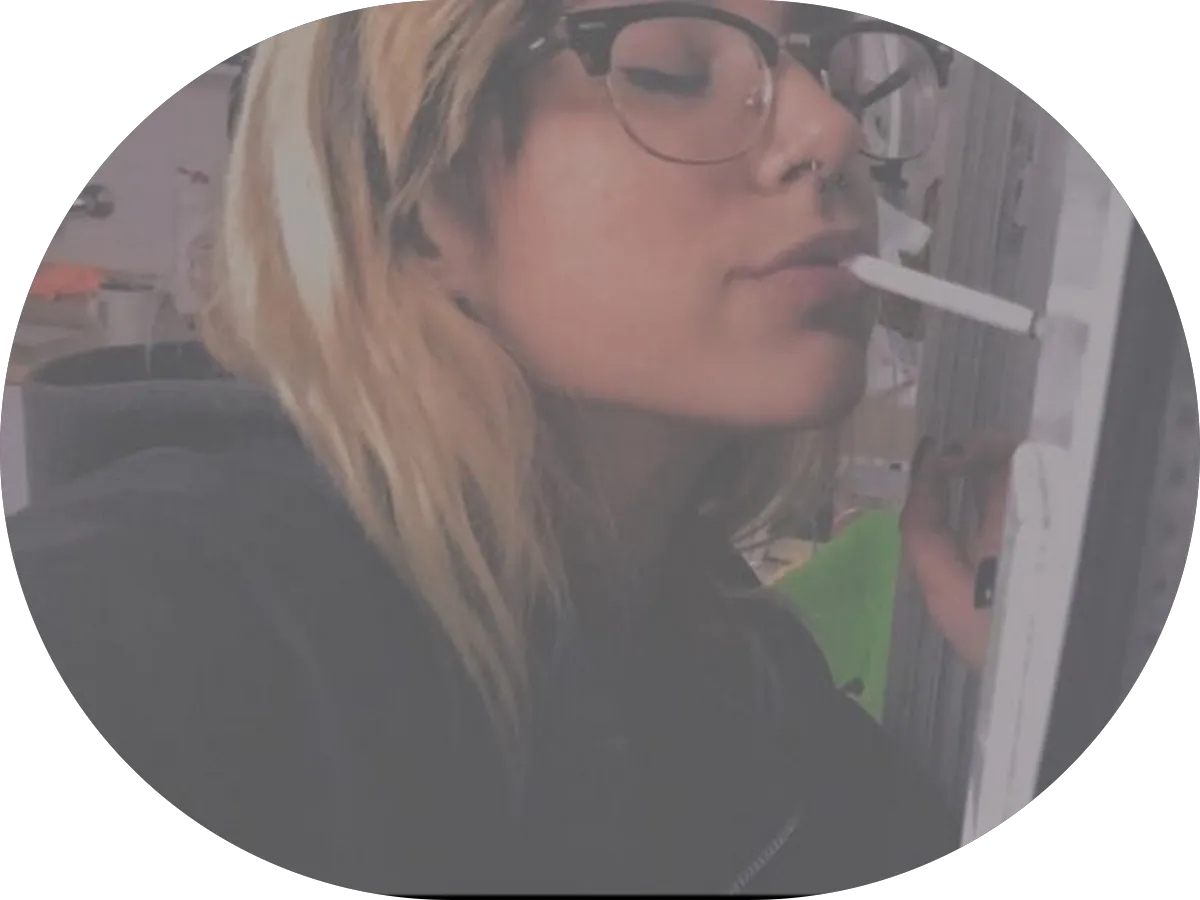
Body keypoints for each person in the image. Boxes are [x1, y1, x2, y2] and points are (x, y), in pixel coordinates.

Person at [11, 2, 976, 893]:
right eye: (674, 72)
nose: (831, 130)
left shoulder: (747, 680)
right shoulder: (139, 623)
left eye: (827, 68)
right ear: (420, 198)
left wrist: (1017, 656)